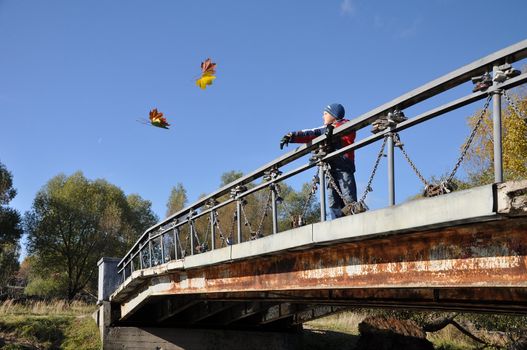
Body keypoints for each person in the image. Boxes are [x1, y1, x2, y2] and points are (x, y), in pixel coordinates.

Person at [280, 103, 357, 219]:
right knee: (332, 199)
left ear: (334, 115)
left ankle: (353, 218)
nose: (323, 116)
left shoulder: (346, 125)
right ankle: (336, 222)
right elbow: (311, 133)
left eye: (325, 114)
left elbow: (349, 132)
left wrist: (334, 129)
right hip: (330, 168)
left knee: (348, 195)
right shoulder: (326, 129)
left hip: (344, 166)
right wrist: (292, 136)